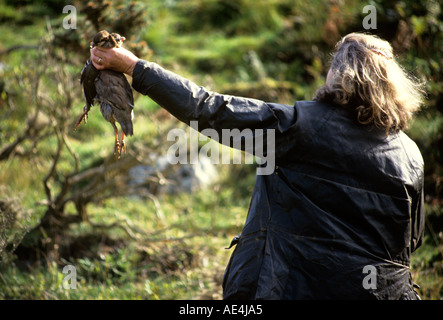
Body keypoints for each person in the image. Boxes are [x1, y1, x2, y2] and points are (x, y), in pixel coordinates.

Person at [90, 32, 426, 299]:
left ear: (337, 76)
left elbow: (210, 110)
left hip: (291, 287)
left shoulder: (300, 126)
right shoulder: (411, 156)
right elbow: (411, 242)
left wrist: (136, 68)